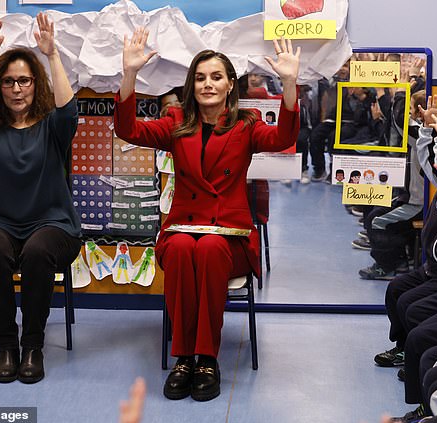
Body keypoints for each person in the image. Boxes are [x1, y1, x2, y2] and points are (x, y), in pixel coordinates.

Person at [114, 28, 300, 401]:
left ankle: (206, 359)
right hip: (182, 228)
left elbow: (282, 137)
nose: (207, 84)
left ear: (231, 84)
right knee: (184, 249)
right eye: (200, 78)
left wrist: (290, 83)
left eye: (216, 77)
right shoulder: (176, 121)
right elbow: (128, 129)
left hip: (229, 237)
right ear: (191, 85)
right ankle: (183, 357)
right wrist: (130, 74)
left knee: (210, 250)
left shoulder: (246, 124)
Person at [0, 13, 82, 384]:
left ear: (34, 84)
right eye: (8, 82)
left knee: (39, 251)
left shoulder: (53, 129)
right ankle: (7, 345)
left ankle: (33, 346)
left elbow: (68, 109)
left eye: (24, 80)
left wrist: (51, 55)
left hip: (54, 226)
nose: (17, 89)